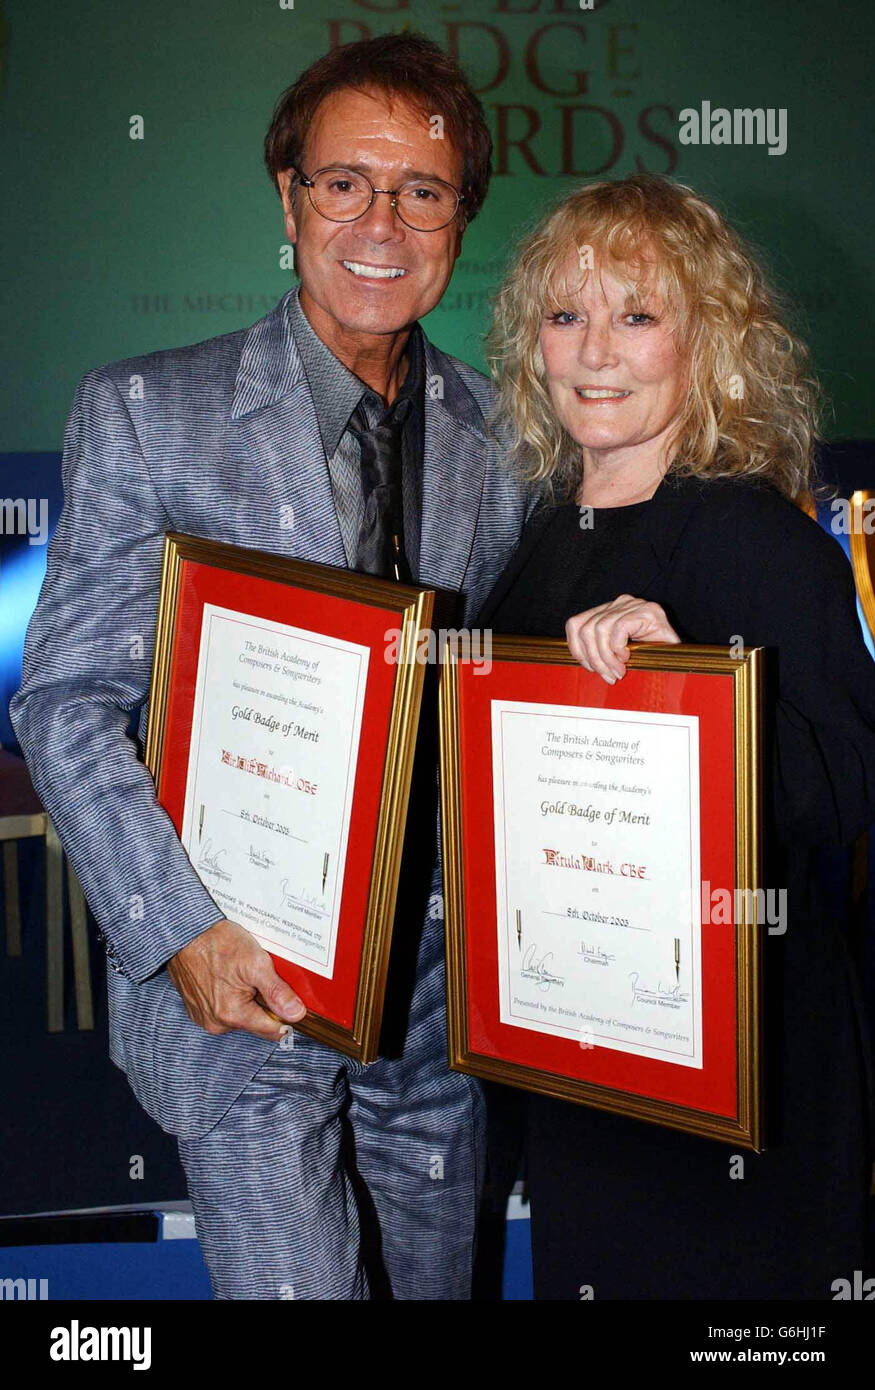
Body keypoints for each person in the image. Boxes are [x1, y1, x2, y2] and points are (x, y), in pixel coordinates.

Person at [11, 33, 610, 1301]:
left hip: (438, 1012)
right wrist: (180, 932)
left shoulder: (510, 438)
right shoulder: (143, 409)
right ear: (287, 196)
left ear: (459, 217)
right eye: (345, 183)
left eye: (422, 191)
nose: (381, 221)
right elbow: (65, 703)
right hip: (241, 991)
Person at [478, 173, 875, 1299]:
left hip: (735, 1101)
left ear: (706, 343)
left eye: (636, 315)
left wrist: (699, 693)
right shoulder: (549, 529)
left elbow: (849, 780)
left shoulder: (749, 531)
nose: (593, 349)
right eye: (566, 314)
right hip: (588, 1064)